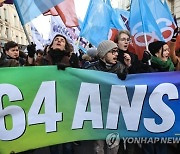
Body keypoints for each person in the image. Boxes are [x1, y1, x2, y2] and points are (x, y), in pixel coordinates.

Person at [85, 40, 129, 154]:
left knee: (113, 147)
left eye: (117, 52)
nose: (116, 54)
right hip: (97, 113)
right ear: (103, 54)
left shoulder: (121, 67)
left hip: (114, 114)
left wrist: (127, 72)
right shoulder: (91, 69)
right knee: (98, 148)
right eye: (113, 52)